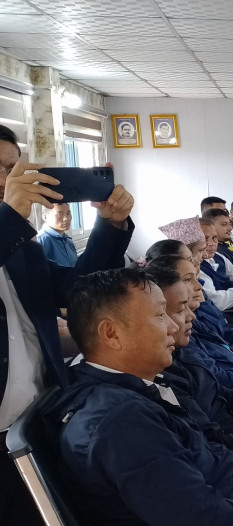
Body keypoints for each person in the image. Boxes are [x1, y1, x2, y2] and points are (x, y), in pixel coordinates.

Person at [53, 268, 233, 525]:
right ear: (111, 334)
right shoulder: (119, 423)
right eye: (159, 315)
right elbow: (201, 517)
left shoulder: (140, 385)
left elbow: (204, 447)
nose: (173, 325)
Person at [0, 124, 135, 525]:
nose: (7, 180)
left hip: (39, 415)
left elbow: (79, 288)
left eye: (12, 168)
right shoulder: (13, 229)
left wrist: (110, 225)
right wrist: (10, 217)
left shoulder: (21, 247)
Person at [36, 203, 78, 267]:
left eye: (68, 213)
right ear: (45, 217)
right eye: (60, 214)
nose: (66, 218)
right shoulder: (40, 240)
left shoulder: (68, 240)